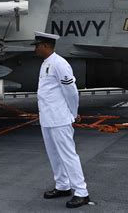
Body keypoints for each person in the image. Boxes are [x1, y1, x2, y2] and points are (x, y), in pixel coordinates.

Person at [32, 31, 90, 209]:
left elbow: (71, 92)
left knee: (68, 155)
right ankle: (63, 185)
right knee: (54, 155)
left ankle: (81, 192)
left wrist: (73, 113)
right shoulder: (45, 64)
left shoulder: (59, 63)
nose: (35, 49)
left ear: (45, 46)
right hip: (48, 118)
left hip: (59, 118)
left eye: (37, 46)